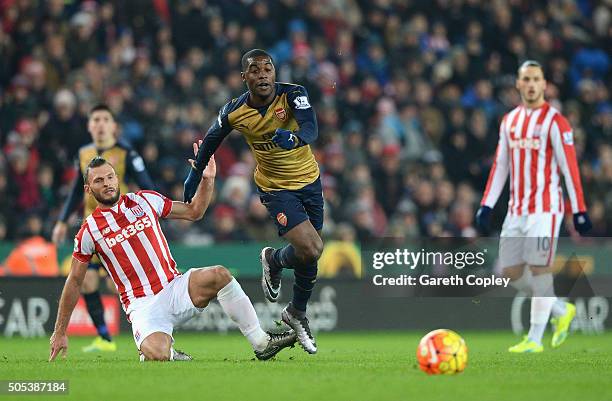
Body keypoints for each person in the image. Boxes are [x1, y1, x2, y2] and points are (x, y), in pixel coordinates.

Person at [49, 155, 296, 362]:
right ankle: (167, 352)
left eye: (110, 177)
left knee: (220, 274)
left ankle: (261, 342)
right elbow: (74, 281)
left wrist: (207, 180)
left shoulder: (143, 200)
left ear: (117, 178)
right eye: (99, 180)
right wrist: (60, 332)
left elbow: (194, 211)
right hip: (142, 306)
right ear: (88, 189)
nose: (107, 183)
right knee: (157, 354)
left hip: (174, 287)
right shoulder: (88, 231)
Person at [183, 49, 323, 354]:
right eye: (255, 70)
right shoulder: (234, 111)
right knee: (312, 247)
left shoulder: (294, 95)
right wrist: (193, 177)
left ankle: (293, 305)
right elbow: (210, 140)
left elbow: (311, 127)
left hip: (310, 182)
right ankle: (281, 278)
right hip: (275, 189)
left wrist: (296, 138)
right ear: (244, 77)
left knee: (309, 253)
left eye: (267, 69)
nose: (263, 75)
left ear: (274, 72)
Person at [475, 60, 592, 353]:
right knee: (508, 272)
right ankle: (560, 311)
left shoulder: (556, 121)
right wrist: (486, 205)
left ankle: (534, 339)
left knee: (540, 268)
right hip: (516, 210)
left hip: (545, 208)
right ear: (518, 84)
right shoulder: (509, 121)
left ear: (544, 84)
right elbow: (500, 165)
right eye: (525, 79)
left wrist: (578, 209)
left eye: (536, 79)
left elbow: (569, 167)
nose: (530, 84)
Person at [51, 104, 155, 353]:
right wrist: (62, 221)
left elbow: (146, 185)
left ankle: (148, 329)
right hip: (93, 228)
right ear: (89, 126)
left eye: (104, 119)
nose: (99, 124)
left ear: (113, 126)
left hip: (120, 228)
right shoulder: (84, 153)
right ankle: (105, 338)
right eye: (95, 119)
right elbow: (77, 189)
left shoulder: (126, 152)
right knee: (86, 280)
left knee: (114, 285)